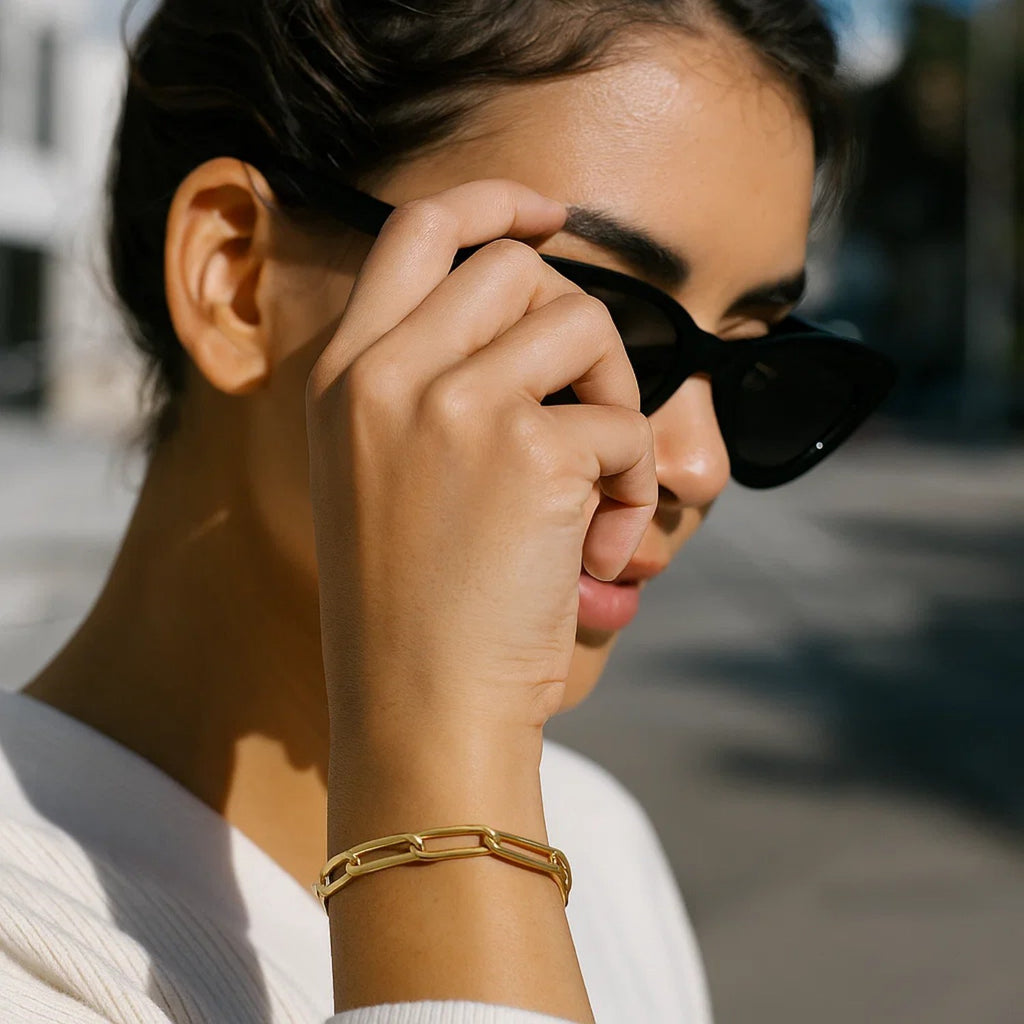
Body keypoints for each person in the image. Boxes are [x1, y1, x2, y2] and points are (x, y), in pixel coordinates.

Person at [0, 1, 894, 1022]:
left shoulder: (599, 843)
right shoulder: (30, 938)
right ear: (237, 279)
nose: (697, 461)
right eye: (593, 318)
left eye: (758, 358)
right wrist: (451, 815)